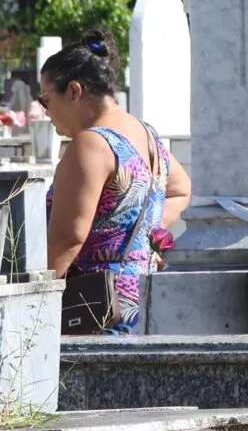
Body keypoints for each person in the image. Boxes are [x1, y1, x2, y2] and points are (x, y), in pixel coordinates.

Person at [42, 31, 189, 335]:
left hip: (90, 312)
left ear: (73, 91)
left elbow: (68, 238)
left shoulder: (91, 144)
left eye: (46, 100)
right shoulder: (147, 136)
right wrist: (141, 241)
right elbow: (180, 189)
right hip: (141, 307)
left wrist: (31, 302)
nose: (46, 113)